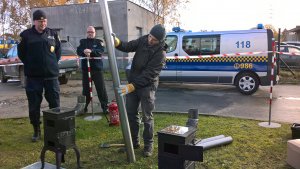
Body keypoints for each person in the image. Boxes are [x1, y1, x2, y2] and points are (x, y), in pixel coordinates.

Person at [114, 24, 166, 157]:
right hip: (134, 82)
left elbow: (149, 74)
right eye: (150, 36)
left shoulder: (160, 53)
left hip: (147, 86)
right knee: (131, 113)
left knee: (147, 117)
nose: (150, 40)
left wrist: (132, 86)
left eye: (154, 39)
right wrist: (118, 43)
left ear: (160, 41)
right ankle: (133, 142)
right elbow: (129, 46)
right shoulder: (143, 40)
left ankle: (148, 145)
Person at [17, 10, 61, 142]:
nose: (43, 23)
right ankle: (36, 130)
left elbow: (57, 53)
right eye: (40, 21)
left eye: (45, 21)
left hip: (51, 77)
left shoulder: (53, 34)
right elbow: (22, 54)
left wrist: (51, 64)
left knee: (54, 104)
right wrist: (32, 65)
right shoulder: (26, 35)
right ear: (34, 21)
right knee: (34, 105)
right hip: (33, 78)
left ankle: (54, 130)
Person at [76, 26, 108, 114]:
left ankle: (105, 107)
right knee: (86, 90)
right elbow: (79, 50)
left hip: (97, 70)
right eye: (89, 32)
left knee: (101, 89)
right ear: (87, 33)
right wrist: (84, 51)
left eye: (92, 32)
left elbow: (100, 51)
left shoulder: (98, 42)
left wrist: (91, 51)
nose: (90, 33)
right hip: (86, 70)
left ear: (95, 33)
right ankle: (84, 108)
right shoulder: (83, 42)